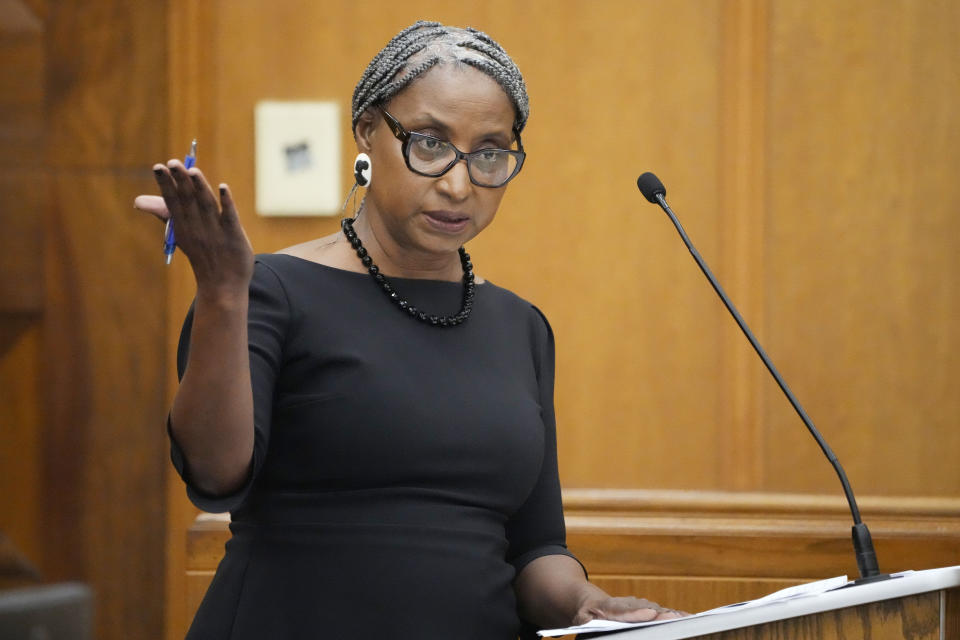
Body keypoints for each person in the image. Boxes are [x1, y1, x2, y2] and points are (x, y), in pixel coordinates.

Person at [136, 20, 682, 639]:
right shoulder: (266, 290)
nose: (458, 183)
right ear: (367, 130)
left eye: (490, 153)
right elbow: (213, 475)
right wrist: (223, 293)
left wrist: (585, 602)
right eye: (429, 143)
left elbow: (535, 549)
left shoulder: (519, 326)